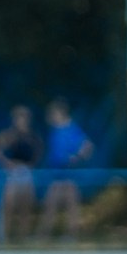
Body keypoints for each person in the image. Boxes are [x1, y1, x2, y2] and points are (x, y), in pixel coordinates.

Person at [38, 100, 93, 242]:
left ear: (60, 113)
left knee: (70, 204)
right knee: (51, 204)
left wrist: (76, 157)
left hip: (68, 174)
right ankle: (45, 234)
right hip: (56, 174)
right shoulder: (56, 130)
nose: (50, 117)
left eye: (52, 114)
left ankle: (70, 235)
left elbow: (87, 146)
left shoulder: (71, 129)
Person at [0, 105, 40, 241]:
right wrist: (5, 162)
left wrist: (31, 165)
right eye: (18, 118)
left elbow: (38, 153)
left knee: (26, 207)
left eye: (24, 118)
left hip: (27, 173)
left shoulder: (32, 136)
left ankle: (24, 236)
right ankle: (3, 236)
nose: (21, 120)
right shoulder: (10, 135)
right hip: (13, 174)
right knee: (8, 205)